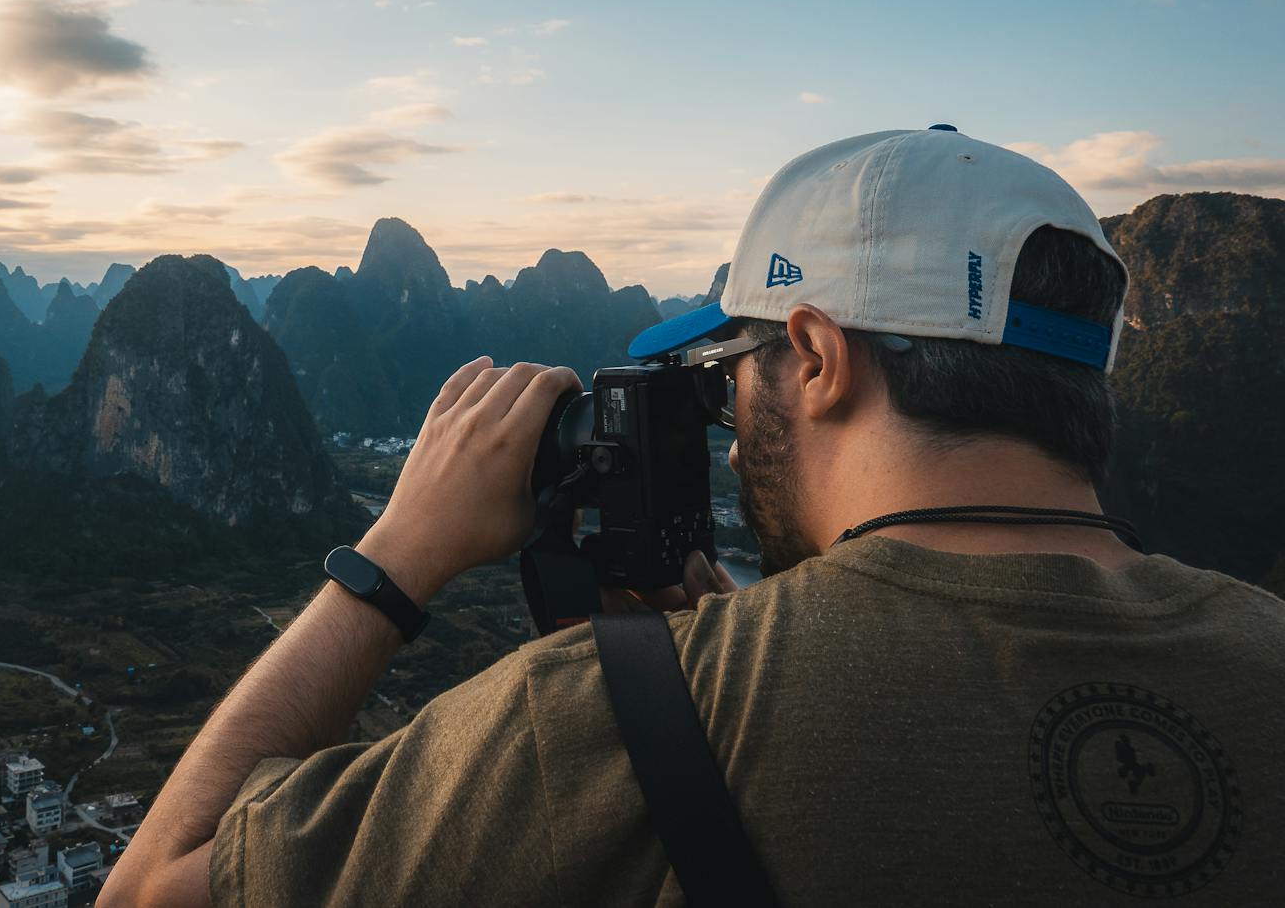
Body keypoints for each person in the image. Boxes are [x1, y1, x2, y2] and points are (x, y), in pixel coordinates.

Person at [103, 127, 1285, 907]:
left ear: (814, 355)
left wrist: (394, 553)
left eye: (729, 374)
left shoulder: (619, 716)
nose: (725, 422)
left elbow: (150, 887)